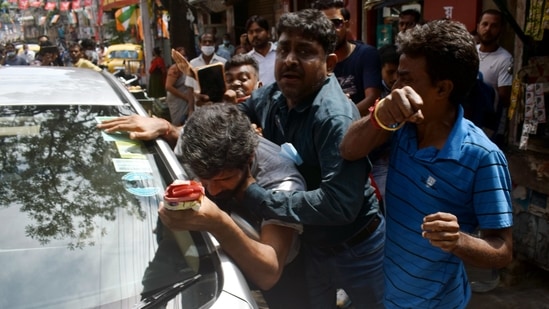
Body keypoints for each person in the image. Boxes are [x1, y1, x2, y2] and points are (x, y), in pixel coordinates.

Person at [340, 19, 513, 308]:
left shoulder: (482, 157)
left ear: (442, 89)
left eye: (406, 79)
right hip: (390, 294)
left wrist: (458, 240)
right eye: (395, 76)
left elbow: (503, 250)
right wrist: (381, 114)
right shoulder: (401, 128)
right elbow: (348, 150)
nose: (396, 87)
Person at [237, 9, 385, 308]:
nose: (290, 60)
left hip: (358, 249)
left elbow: (338, 205)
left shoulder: (333, 116)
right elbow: (238, 113)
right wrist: (178, 130)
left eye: (304, 52)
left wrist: (255, 195)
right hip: (315, 248)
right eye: (284, 50)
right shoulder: (276, 95)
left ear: (329, 64)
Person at [314, 0, 382, 116]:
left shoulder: (366, 54)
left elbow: (372, 99)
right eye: (323, 25)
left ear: (347, 25)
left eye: (336, 23)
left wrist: (342, 117)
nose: (330, 29)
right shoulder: (314, 60)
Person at [476, 9, 513, 146]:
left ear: (501, 30)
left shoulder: (505, 59)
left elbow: (504, 97)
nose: (488, 29)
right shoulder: (470, 51)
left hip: (488, 123)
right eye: (484, 24)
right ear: (478, 25)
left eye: (494, 26)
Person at [165, 47, 194, 126]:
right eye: (180, 56)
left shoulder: (189, 68)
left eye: (184, 55)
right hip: (177, 100)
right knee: (178, 123)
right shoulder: (174, 69)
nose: (183, 58)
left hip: (188, 99)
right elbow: (168, 86)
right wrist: (185, 97)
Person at [246, 15, 277, 86]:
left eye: (258, 31)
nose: (254, 35)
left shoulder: (280, 54)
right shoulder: (247, 60)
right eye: (251, 32)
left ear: (268, 33)